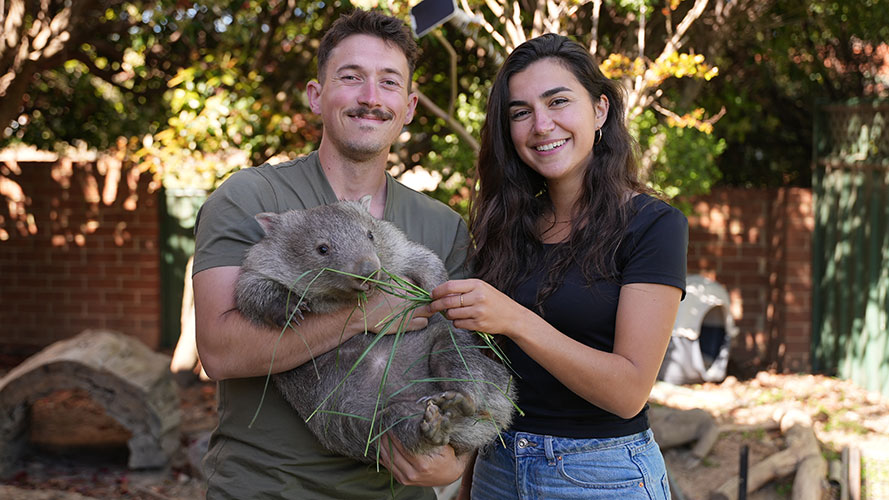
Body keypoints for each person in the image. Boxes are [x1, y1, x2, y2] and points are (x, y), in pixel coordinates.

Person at [192, 9, 470, 499]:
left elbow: (464, 352)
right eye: (351, 77)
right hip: (269, 488)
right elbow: (219, 351)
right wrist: (365, 313)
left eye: (388, 82)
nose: (370, 97)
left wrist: (455, 463)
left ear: (408, 106)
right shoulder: (249, 198)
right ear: (316, 96)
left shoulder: (442, 224)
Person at [429, 33, 688, 499]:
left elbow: (629, 391)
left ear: (600, 111)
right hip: (498, 466)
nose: (541, 125)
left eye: (558, 101)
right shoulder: (506, 226)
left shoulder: (653, 226)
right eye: (521, 112)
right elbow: (494, 378)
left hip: (601, 475)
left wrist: (515, 319)